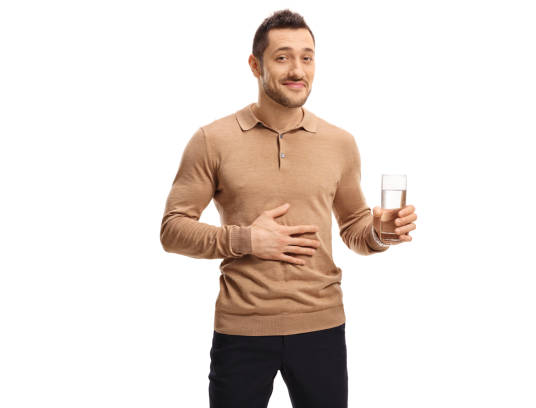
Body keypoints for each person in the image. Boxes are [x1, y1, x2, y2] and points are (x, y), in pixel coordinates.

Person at [160, 9, 418, 408]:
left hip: (322, 327)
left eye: (307, 57)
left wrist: (380, 234)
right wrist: (246, 239)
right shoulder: (211, 140)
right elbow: (172, 230)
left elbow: (354, 228)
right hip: (241, 331)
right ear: (255, 64)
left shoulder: (340, 142)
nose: (297, 69)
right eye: (282, 57)